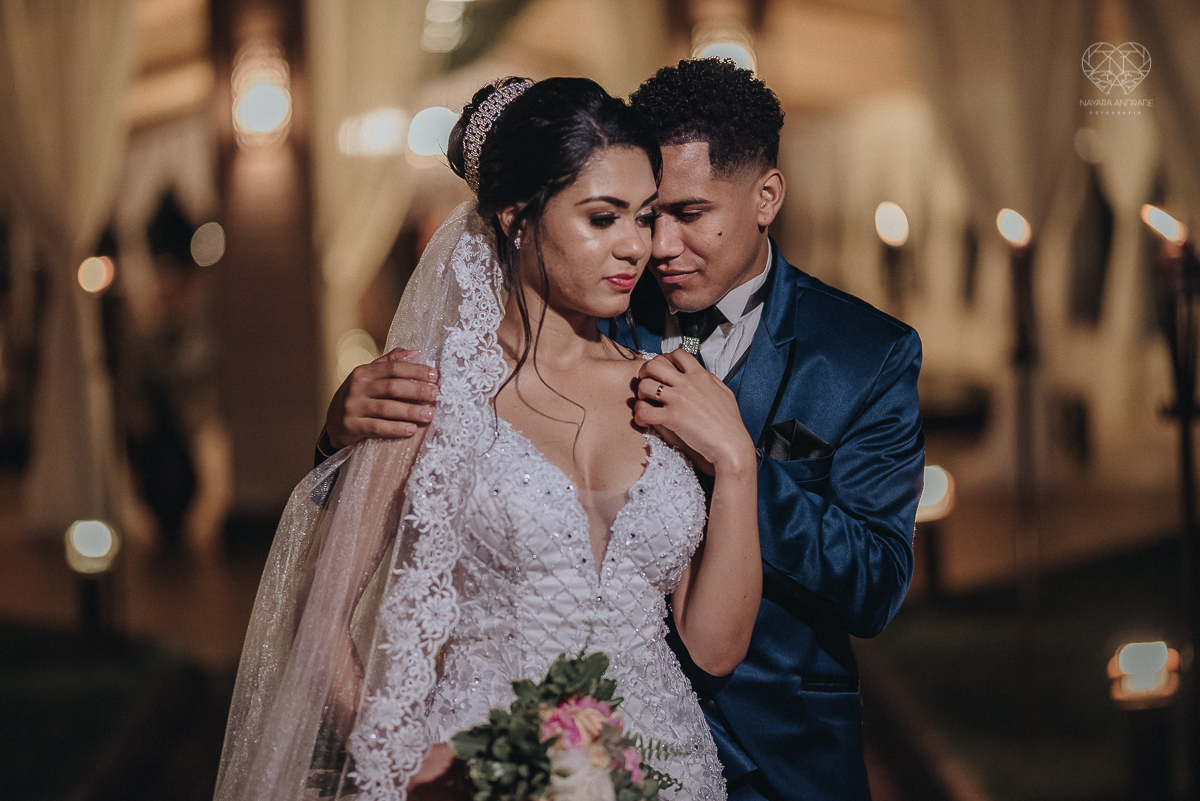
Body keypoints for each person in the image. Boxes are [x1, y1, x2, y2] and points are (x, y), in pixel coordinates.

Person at [321, 59, 925, 801]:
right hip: (504, 760)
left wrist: (735, 460)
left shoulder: (865, 354)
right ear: (519, 219)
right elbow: (321, 576)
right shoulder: (586, 311)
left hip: (772, 760)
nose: (654, 247)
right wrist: (335, 439)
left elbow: (873, 581)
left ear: (767, 196)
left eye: (683, 213)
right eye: (635, 214)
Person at [217, 76, 760, 801]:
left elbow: (714, 647)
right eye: (604, 218)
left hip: (665, 768)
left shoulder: (670, 389)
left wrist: (737, 462)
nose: (637, 245)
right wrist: (398, 759)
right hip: (484, 772)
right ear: (516, 218)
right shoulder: (430, 393)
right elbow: (318, 618)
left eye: (645, 215)